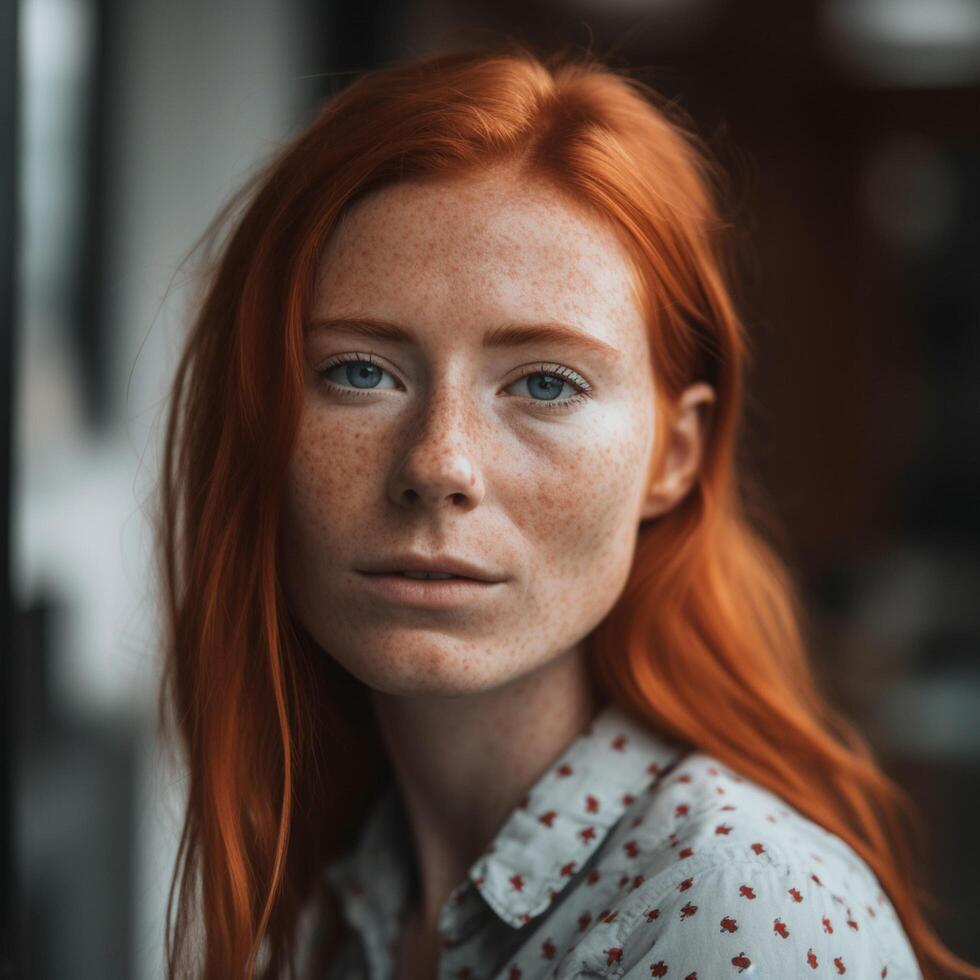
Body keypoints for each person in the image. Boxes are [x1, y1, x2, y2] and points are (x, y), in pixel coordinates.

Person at [154, 43, 979, 980]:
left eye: (545, 381)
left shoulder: (729, 913)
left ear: (677, 457)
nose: (438, 464)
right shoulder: (349, 895)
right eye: (358, 370)